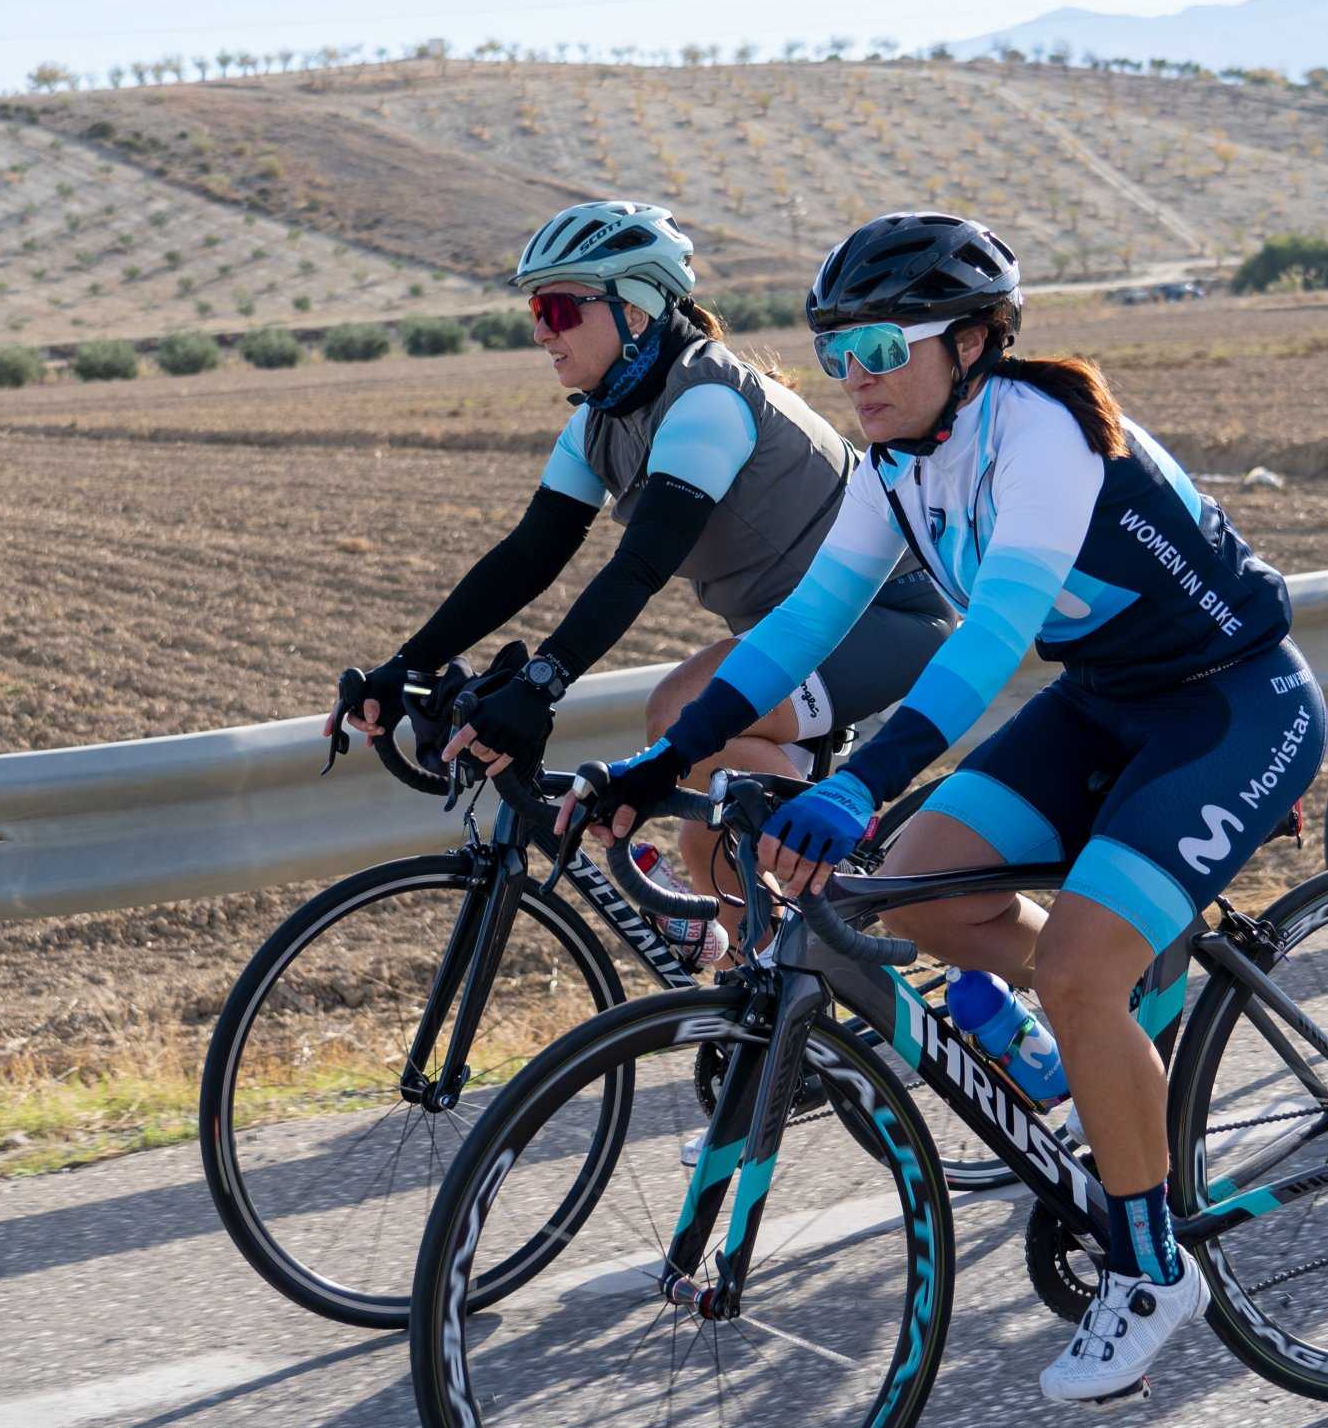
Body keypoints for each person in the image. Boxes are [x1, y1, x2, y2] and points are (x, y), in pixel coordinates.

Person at [570, 211, 1326, 1403]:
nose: (855, 381)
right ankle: (1110, 1026)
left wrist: (859, 781)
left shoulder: (1041, 434)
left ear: (972, 342)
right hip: (1107, 700)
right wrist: (653, 761)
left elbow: (989, 642)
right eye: (837, 356)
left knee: (1072, 967)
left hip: (1231, 706)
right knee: (925, 891)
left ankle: (1149, 1265)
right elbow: (801, 628)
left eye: (881, 350)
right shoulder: (895, 466)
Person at [340, 201, 951, 960]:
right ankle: (794, 1029)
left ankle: (869, 911)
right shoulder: (599, 420)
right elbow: (529, 555)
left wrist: (541, 681)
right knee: (710, 850)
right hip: (793, 632)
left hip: (883, 618)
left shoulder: (707, 401)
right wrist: (409, 662)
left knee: (678, 711)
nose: (541, 330)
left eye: (560, 307)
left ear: (635, 306)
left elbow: (639, 567)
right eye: (537, 308)